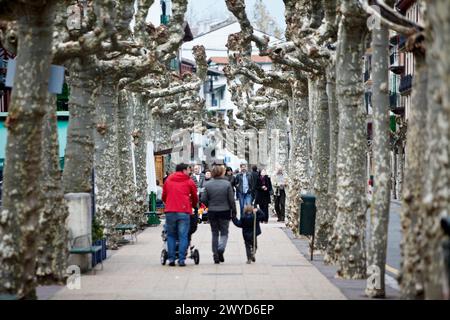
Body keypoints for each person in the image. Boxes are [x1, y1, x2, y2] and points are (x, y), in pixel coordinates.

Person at [162, 163, 198, 267]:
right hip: (184, 211)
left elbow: (164, 195)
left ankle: (171, 259)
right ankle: (182, 260)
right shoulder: (189, 181)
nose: (189, 171)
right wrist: (193, 204)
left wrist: (169, 202)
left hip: (170, 211)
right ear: (183, 170)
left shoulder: (168, 180)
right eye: (188, 170)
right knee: (183, 236)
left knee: (171, 235)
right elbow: (195, 196)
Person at [201, 164, 236, 264]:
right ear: (222, 173)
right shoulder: (227, 184)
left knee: (214, 233)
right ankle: (220, 249)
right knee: (224, 232)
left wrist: (209, 204)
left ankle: (215, 253)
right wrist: (233, 210)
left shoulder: (208, 185)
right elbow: (231, 200)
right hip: (224, 211)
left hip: (212, 212)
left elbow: (203, 199)